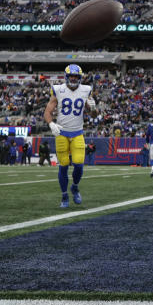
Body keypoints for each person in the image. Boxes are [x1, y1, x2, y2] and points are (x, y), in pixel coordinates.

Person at [44, 64, 96, 208]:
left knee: (79, 164)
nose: (73, 79)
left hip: (78, 132)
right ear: (66, 77)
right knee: (64, 167)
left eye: (76, 76)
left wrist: (94, 108)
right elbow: (47, 112)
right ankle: (64, 196)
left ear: (80, 78)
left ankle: (74, 186)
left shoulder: (86, 90)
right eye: (71, 76)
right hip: (61, 133)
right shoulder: (58, 90)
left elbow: (93, 114)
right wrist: (51, 124)